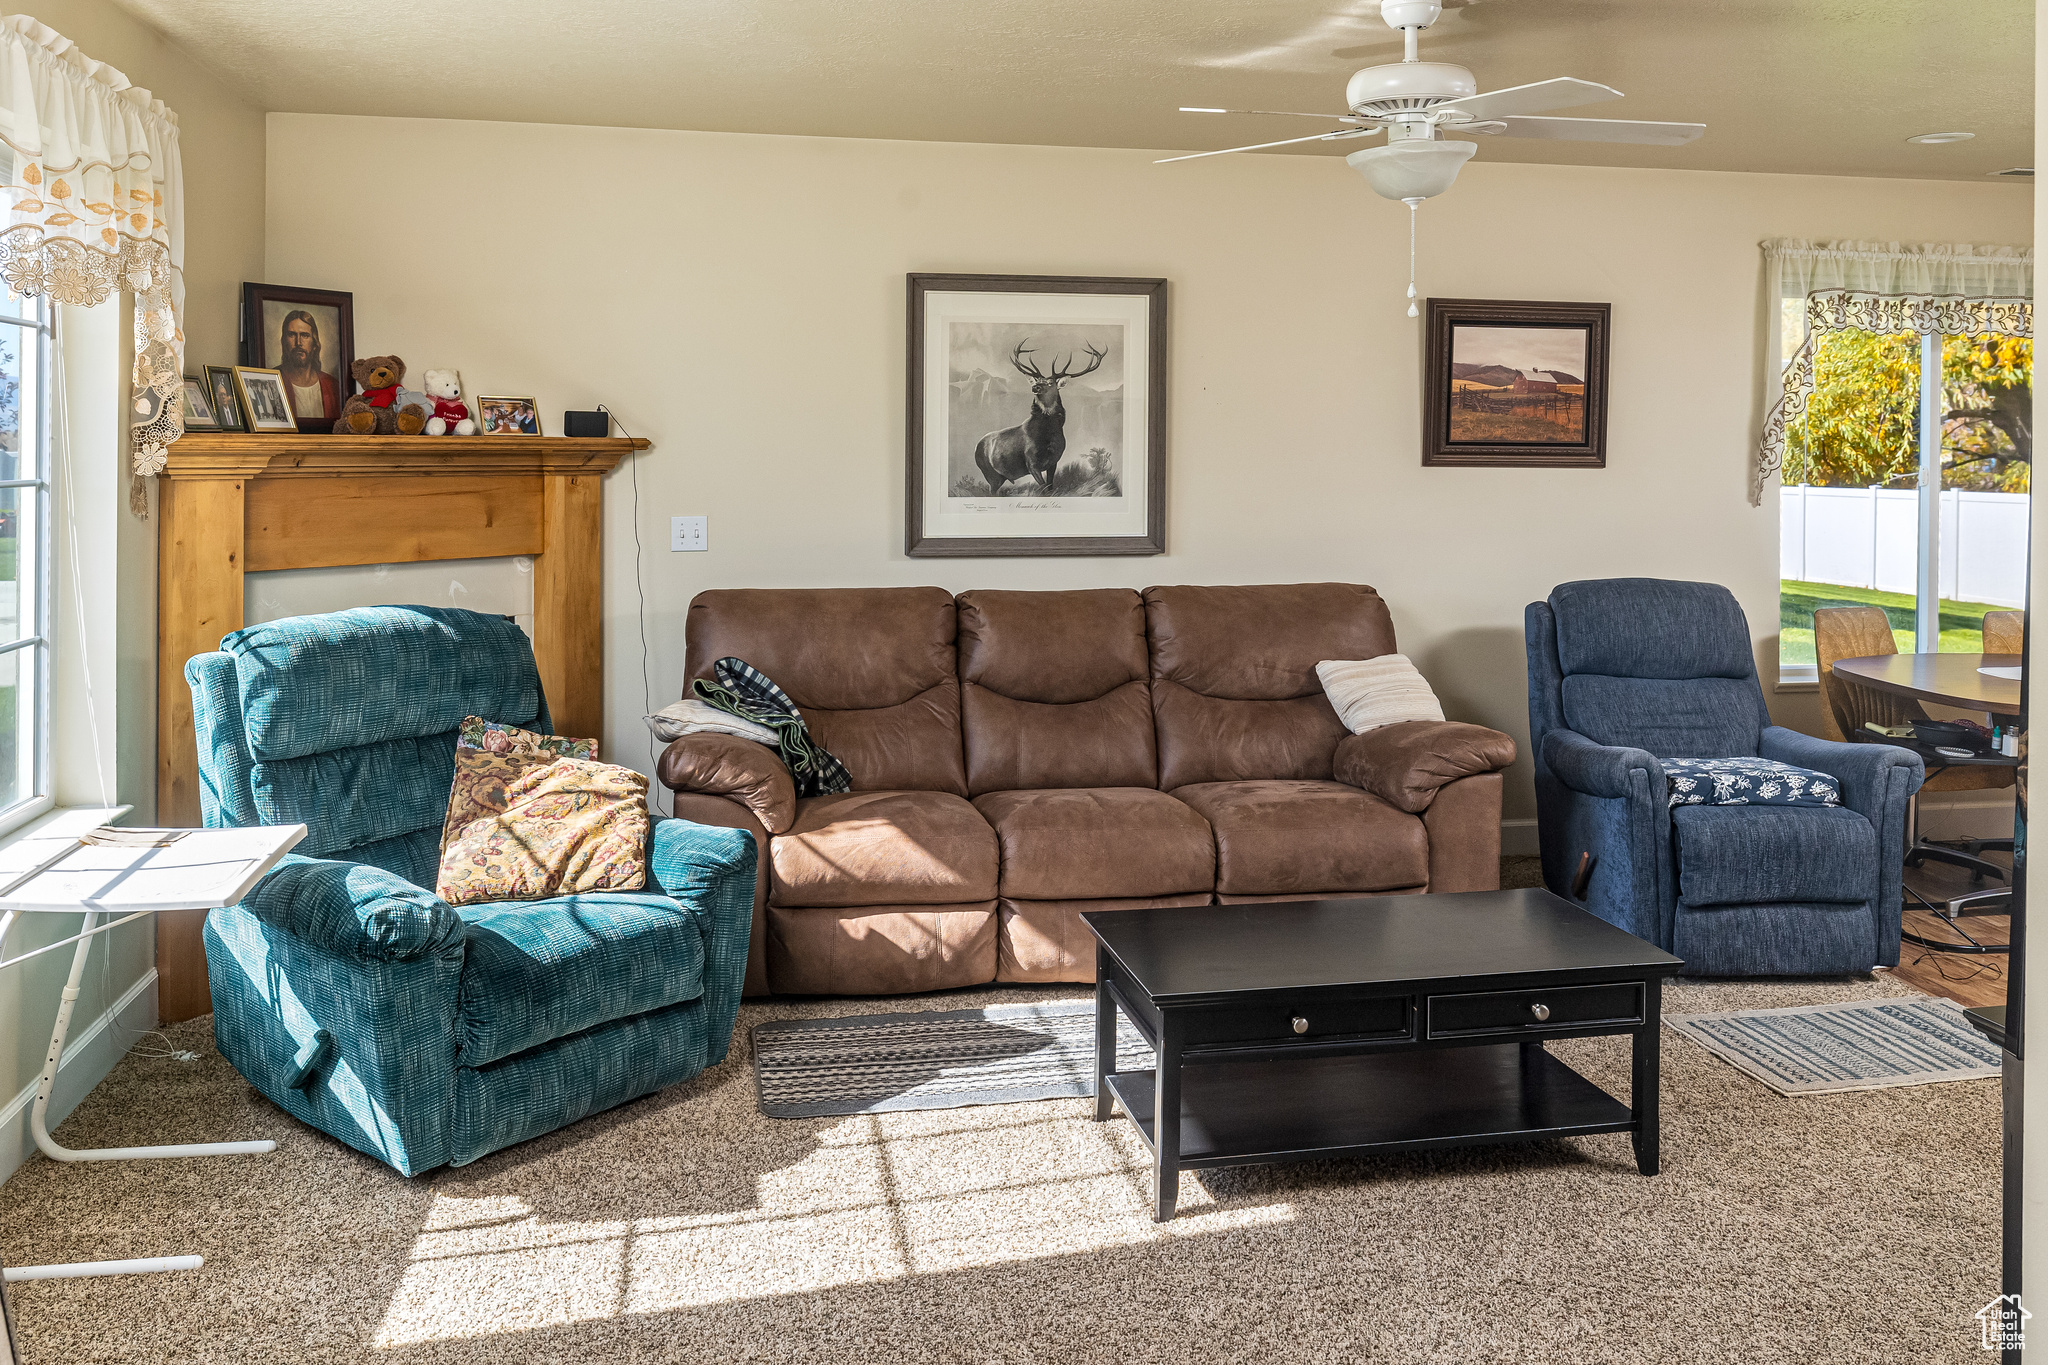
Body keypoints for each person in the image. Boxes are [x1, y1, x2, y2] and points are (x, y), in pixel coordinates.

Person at [273, 309, 338, 421]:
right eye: (292, 335)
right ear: (284, 341)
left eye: (305, 335)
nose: (298, 342)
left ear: (314, 343)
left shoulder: (331, 385)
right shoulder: (271, 381)